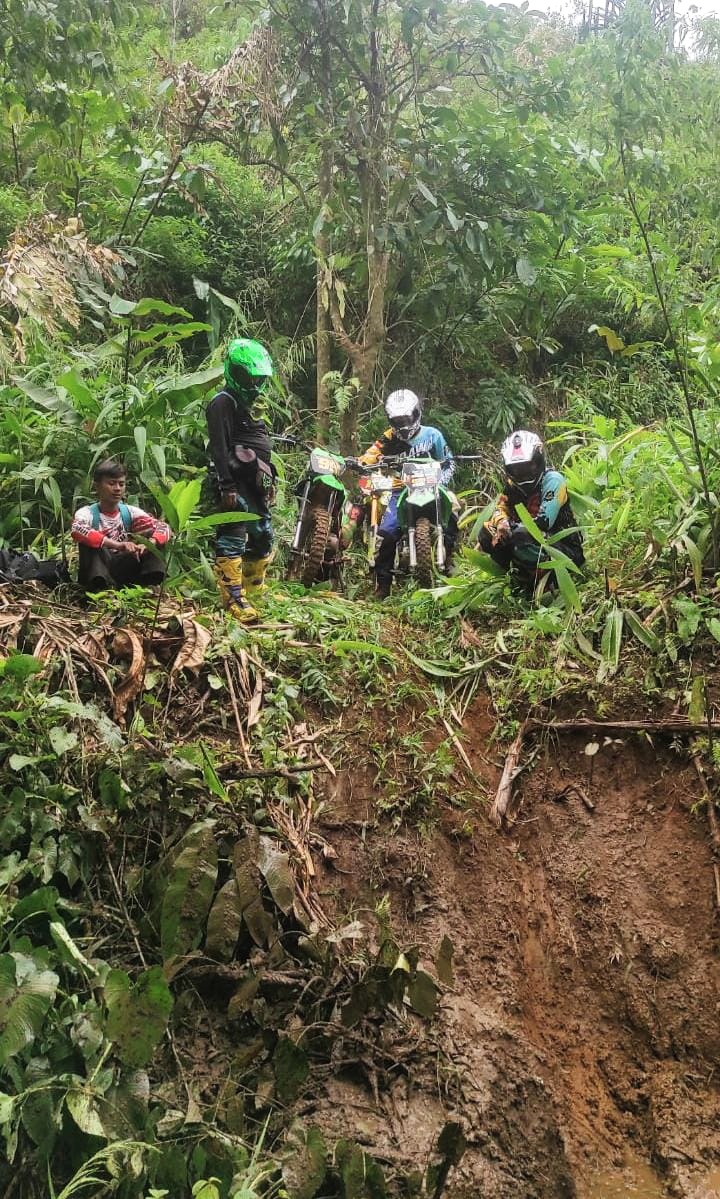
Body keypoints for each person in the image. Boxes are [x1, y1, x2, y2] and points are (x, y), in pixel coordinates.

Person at [357, 389, 456, 599]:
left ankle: (449, 561)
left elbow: (449, 462)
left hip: (432, 486)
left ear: (416, 414)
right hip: (401, 489)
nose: (402, 425)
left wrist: (443, 480)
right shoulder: (388, 438)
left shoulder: (433, 435)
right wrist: (360, 464)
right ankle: (383, 585)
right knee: (387, 532)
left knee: (452, 513)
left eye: (406, 419)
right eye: (397, 420)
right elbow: (370, 455)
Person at [206, 337, 276, 624]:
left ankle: (254, 590)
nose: (254, 383)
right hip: (233, 481)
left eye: (258, 378)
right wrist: (226, 485)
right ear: (235, 373)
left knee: (261, 535)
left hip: (252, 481)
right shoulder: (222, 402)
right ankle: (233, 597)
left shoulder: (244, 403)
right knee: (233, 534)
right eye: (249, 376)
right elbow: (220, 448)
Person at [478, 430, 584, 585]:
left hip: (563, 550)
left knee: (522, 534)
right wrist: (501, 523)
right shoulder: (512, 487)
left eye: (528, 467)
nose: (522, 473)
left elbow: (543, 522)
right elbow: (501, 508)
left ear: (538, 460)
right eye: (516, 469)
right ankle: (519, 577)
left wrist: (511, 529)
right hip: (524, 540)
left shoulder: (553, 480)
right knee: (487, 532)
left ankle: (547, 581)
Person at [72, 460, 171, 591]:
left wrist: (148, 543)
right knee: (90, 542)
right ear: (97, 487)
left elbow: (164, 528)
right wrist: (118, 545)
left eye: (121, 484)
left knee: (153, 537)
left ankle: (151, 586)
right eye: (111, 483)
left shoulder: (131, 512)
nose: (117, 488)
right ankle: (100, 594)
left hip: (124, 570)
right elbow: (77, 530)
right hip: (98, 572)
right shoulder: (87, 513)